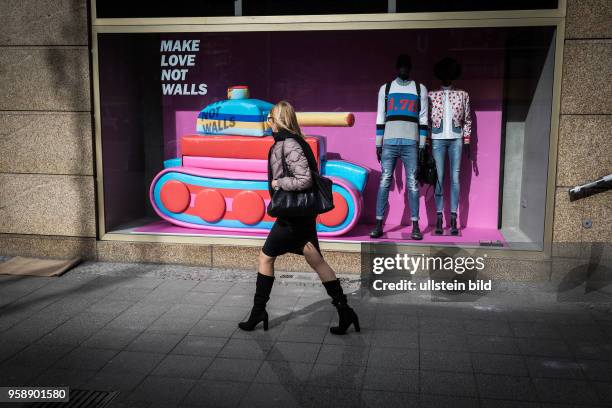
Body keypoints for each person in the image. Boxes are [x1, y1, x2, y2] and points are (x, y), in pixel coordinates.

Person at [238, 100, 360, 335]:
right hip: (301, 214)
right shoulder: (290, 142)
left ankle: (258, 311)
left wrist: (278, 183)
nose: (268, 122)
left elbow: (304, 179)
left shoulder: (290, 143)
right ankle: (345, 311)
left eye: (270, 118)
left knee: (265, 257)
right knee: (316, 260)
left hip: (292, 216)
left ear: (278, 120)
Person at [370, 54, 429, 240]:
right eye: (401, 65)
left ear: (410, 67)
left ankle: (415, 225)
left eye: (407, 65)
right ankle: (379, 223)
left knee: (412, 183)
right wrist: (379, 143)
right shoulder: (385, 89)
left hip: (411, 142)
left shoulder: (420, 89)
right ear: (397, 67)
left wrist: (422, 144)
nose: (404, 68)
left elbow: (423, 119)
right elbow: (380, 116)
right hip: (389, 142)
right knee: (385, 180)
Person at [428, 57, 471, 235]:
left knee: (455, 179)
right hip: (437, 139)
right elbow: (427, 120)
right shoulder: (431, 95)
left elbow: (467, 119)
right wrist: (427, 142)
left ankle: (453, 218)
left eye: (449, 73)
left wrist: (467, 140)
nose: (446, 77)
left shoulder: (463, 94)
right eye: (443, 73)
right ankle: (439, 217)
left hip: (456, 139)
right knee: (439, 178)